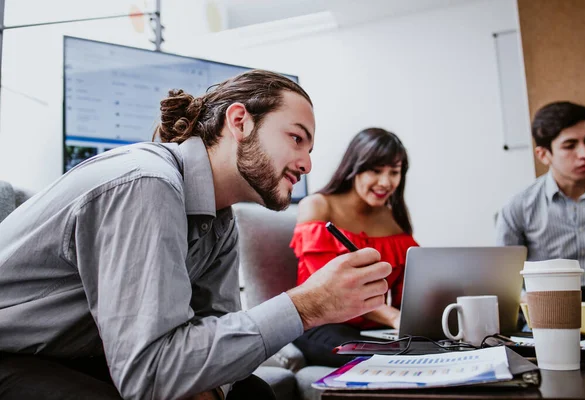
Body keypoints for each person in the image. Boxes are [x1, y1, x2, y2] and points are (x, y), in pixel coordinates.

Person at [0, 70, 393, 400]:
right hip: (13, 354)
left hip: (82, 355)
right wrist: (307, 306)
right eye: (296, 138)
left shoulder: (220, 223)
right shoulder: (147, 183)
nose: (307, 164)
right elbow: (151, 372)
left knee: (251, 393)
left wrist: (211, 386)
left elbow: (214, 341)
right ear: (240, 121)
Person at [290, 128, 419, 367]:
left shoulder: (395, 218)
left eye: (394, 172)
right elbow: (332, 290)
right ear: (354, 167)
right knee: (383, 361)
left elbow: (408, 293)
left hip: (379, 330)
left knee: (428, 352)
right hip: (324, 325)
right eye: (376, 170)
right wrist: (392, 316)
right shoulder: (318, 206)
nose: (386, 182)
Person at [497, 101, 585, 301]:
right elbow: (505, 284)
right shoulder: (518, 207)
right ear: (543, 154)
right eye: (570, 146)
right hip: (549, 313)